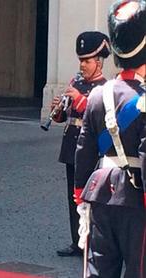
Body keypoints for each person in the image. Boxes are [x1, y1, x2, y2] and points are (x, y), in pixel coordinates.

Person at [74, 1, 146, 276]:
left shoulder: (97, 95)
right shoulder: (142, 100)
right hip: (137, 199)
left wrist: (80, 194)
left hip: (100, 191)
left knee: (100, 269)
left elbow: (85, 148)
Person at [51, 31, 111, 257]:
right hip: (71, 147)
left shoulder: (105, 87)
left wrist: (79, 99)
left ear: (99, 62)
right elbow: (63, 117)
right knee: (73, 197)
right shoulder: (75, 82)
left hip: (93, 151)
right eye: (81, 61)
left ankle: (94, 243)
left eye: (87, 61)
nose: (82, 65)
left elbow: (102, 118)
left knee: (93, 199)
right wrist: (57, 109)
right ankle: (77, 241)